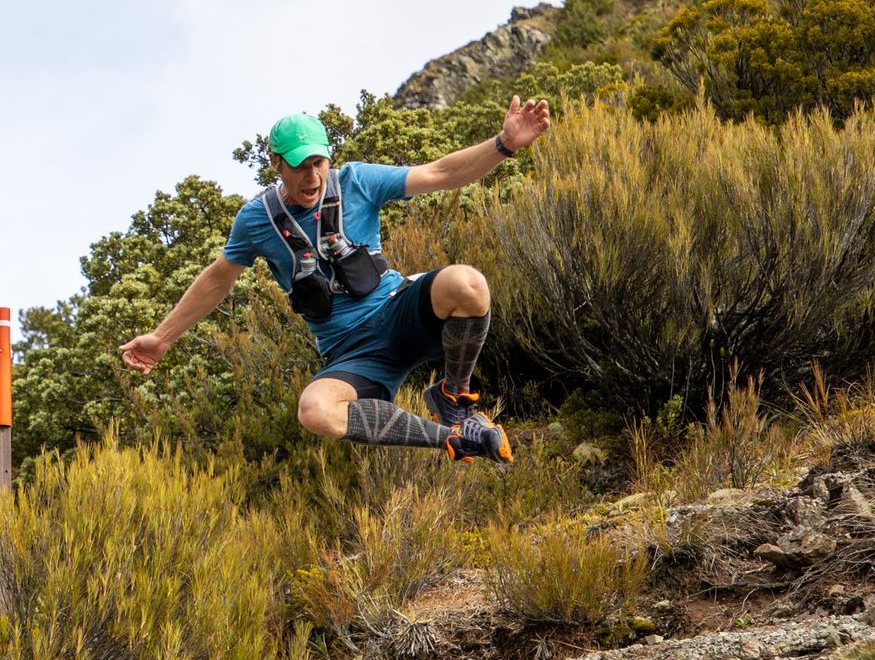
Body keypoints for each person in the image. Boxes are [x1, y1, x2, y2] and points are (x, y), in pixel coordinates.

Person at [119, 97, 551, 463]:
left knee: (468, 284)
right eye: (299, 166)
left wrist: (504, 144)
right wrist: (162, 338)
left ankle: (454, 402)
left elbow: (439, 173)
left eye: (319, 163)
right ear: (275, 163)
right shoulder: (255, 221)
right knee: (316, 412)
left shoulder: (357, 181)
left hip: (399, 312)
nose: (312, 177)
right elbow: (218, 279)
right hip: (352, 351)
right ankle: (454, 440)